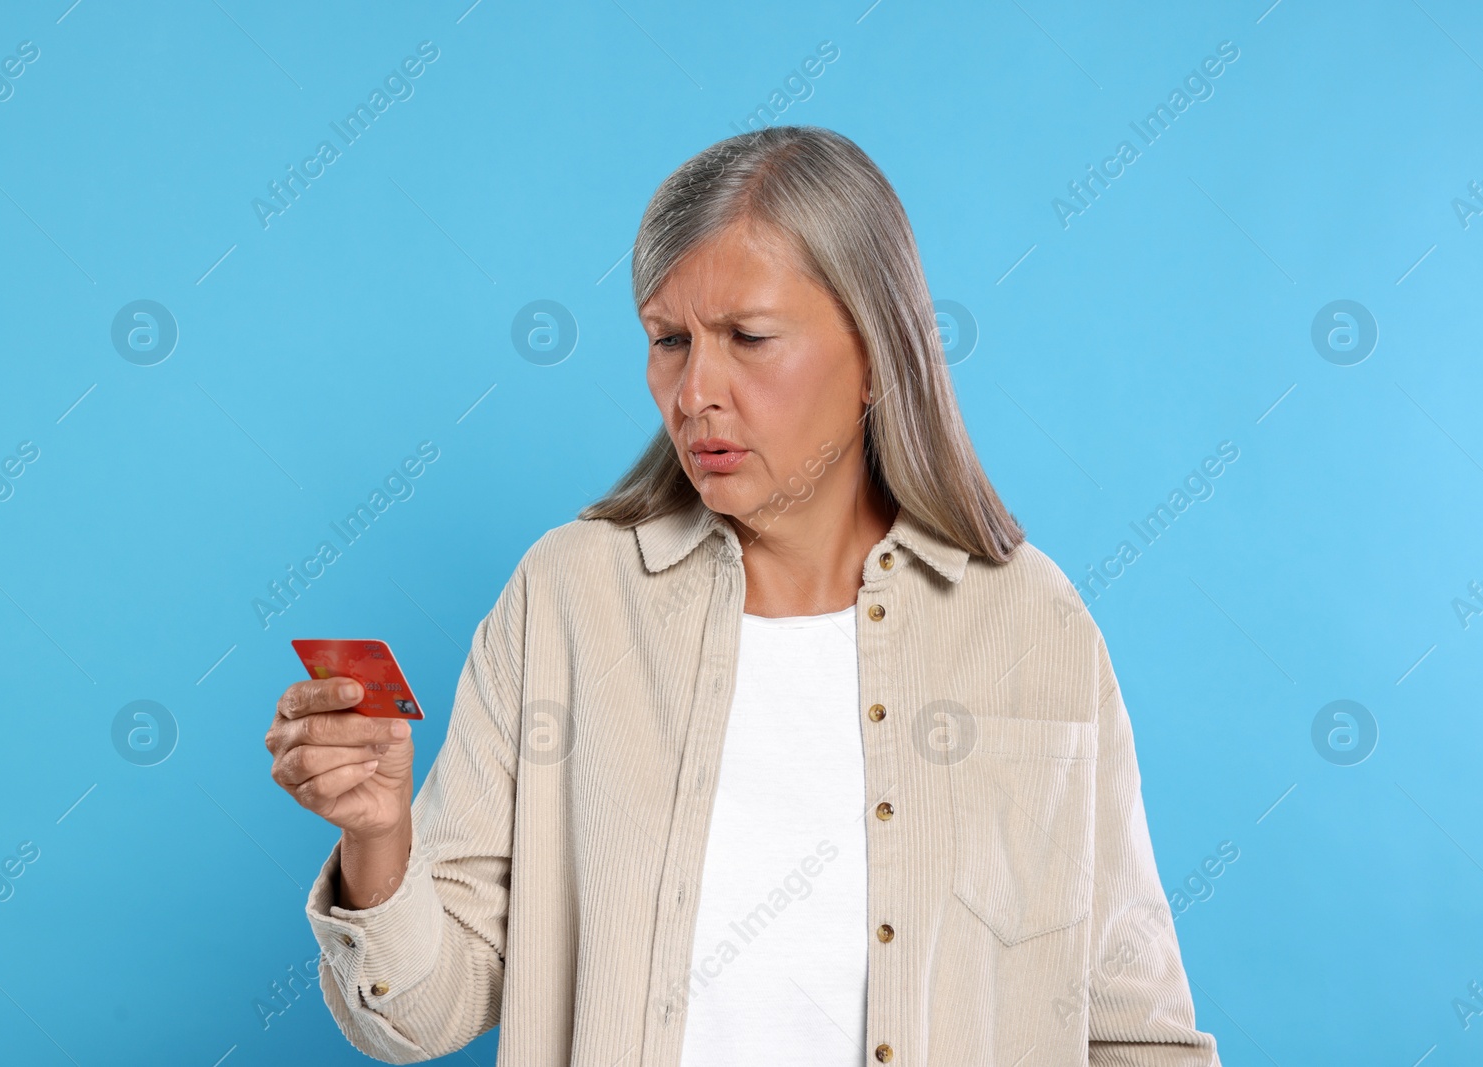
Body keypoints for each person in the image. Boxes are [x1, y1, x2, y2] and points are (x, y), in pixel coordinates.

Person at [265, 125, 1221, 1066]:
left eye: (749, 338)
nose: (695, 391)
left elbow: (1134, 1027)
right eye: (668, 340)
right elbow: (420, 1014)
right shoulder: (567, 599)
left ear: (878, 351)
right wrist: (379, 837)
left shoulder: (1032, 621)